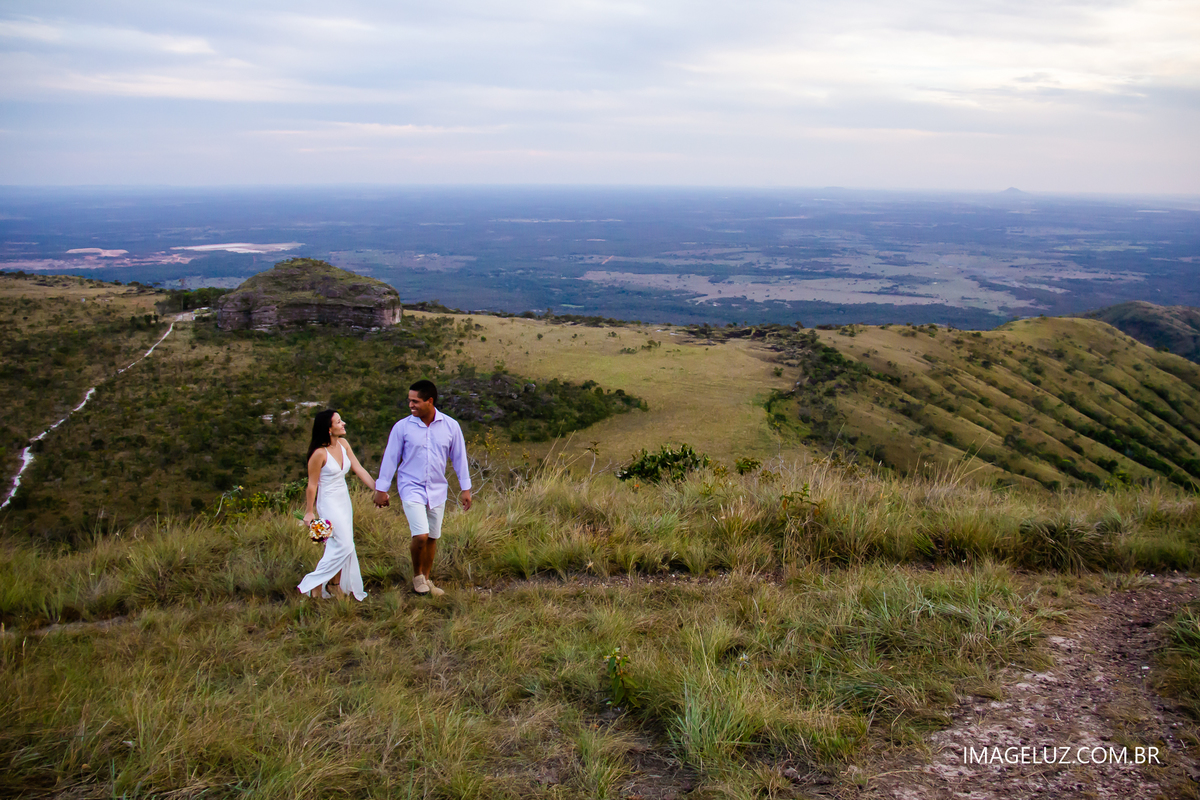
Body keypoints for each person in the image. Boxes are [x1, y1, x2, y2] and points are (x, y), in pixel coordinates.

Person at [374, 379, 472, 597]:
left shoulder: (450, 426)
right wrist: (382, 489)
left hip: (437, 488)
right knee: (420, 535)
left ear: (430, 401)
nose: (411, 405)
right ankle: (417, 576)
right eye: (409, 401)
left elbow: (459, 458)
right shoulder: (402, 427)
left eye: (415, 401)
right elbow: (390, 458)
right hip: (411, 486)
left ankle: (427, 579)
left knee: (433, 536)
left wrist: (465, 488)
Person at [297, 409, 377, 601]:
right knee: (344, 544)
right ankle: (314, 583)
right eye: (339, 422)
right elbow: (312, 485)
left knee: (338, 545)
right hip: (328, 503)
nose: (343, 424)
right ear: (328, 429)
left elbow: (358, 468)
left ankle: (334, 584)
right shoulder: (319, 454)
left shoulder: (343, 444)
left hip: (344, 501)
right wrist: (309, 512)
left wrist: (377, 489)